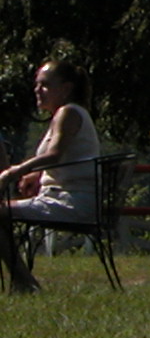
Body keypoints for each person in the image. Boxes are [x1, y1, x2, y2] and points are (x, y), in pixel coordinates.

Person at [2, 60, 104, 294]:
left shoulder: (68, 113)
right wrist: (38, 175)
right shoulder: (69, 114)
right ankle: (23, 281)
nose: (38, 90)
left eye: (45, 85)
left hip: (72, 202)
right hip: (68, 197)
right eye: (37, 85)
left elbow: (55, 154)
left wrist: (14, 172)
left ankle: (24, 282)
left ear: (66, 88)